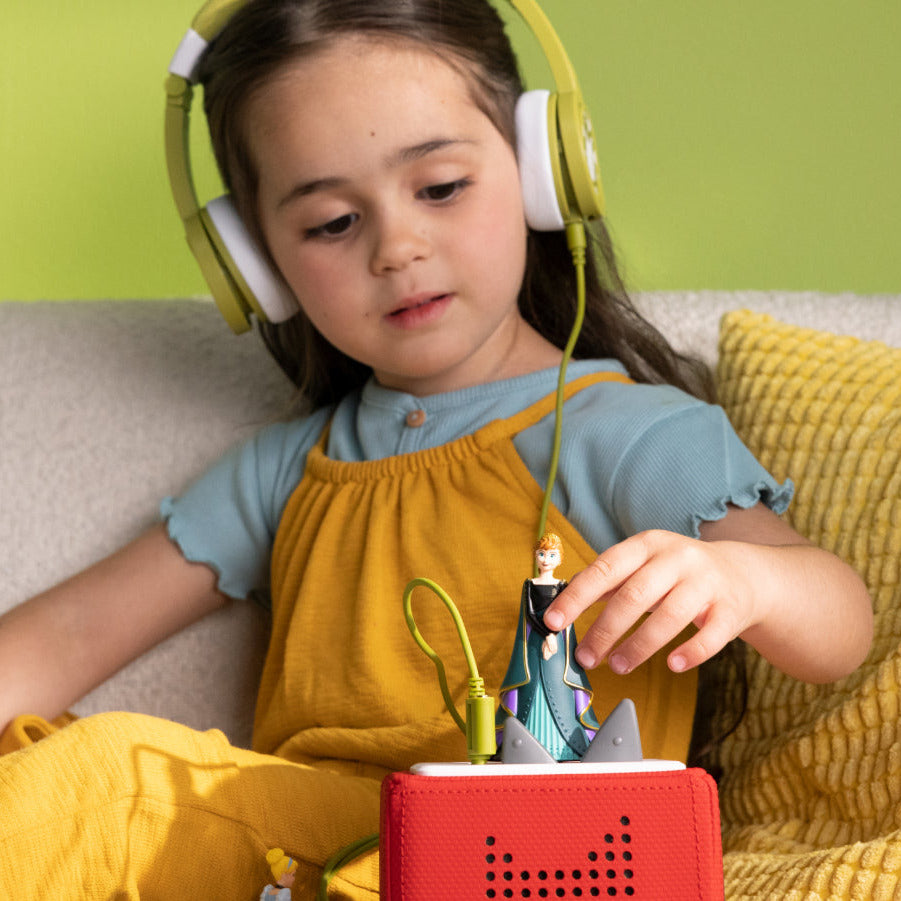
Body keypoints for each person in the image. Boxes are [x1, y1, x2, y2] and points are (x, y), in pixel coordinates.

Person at [0, 0, 872, 897]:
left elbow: (841, 627)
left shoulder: (625, 431)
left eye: (440, 187)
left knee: (109, 788)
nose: (397, 247)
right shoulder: (286, 471)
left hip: (528, 853)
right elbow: (67, 633)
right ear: (256, 266)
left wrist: (746, 581)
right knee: (52, 767)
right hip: (312, 846)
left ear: (543, 174)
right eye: (333, 223)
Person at [496, 533, 600, 761]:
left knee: (560, 684)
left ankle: (567, 745)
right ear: (535, 556)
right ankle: (521, 744)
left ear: (559, 559)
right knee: (531, 683)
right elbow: (531, 614)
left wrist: (555, 636)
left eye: (551, 555)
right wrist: (549, 634)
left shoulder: (563, 586)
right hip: (533, 645)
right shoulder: (530, 585)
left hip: (559, 651)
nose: (545, 559)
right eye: (541, 554)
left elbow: (567, 614)